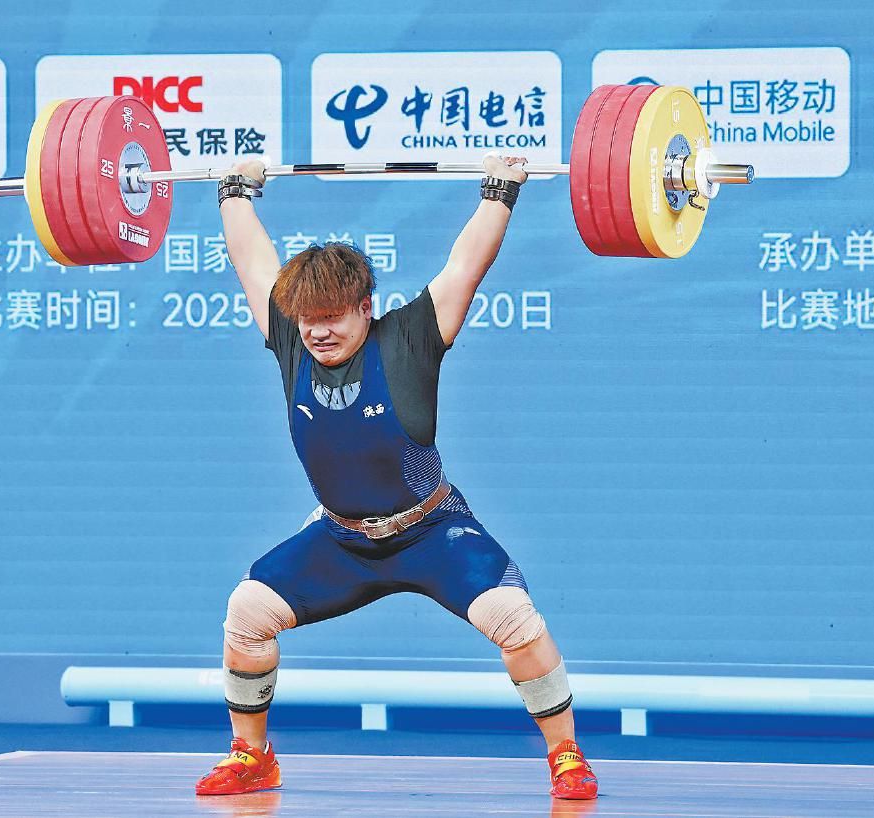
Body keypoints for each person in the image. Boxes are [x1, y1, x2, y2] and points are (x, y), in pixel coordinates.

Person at [194, 155, 598, 801]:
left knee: (513, 617)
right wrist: (235, 191)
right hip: (342, 540)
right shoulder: (293, 339)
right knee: (248, 611)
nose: (318, 332)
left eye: (333, 317)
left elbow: (465, 267)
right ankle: (253, 756)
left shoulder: (409, 339)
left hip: (432, 532)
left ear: (366, 308)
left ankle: (566, 756)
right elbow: (252, 261)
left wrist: (500, 189)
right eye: (308, 320)